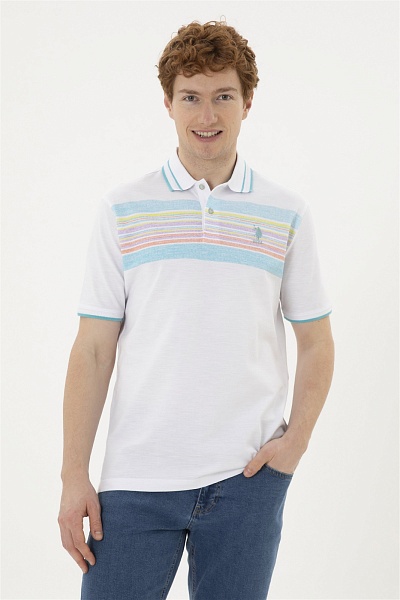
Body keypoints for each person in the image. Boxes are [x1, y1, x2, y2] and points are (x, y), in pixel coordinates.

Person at [58, 19, 334, 600]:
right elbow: (93, 350)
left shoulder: (287, 212)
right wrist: (73, 474)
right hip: (135, 482)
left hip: (247, 480)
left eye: (223, 96)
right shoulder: (122, 209)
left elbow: (316, 341)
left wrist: (294, 445)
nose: (206, 115)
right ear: (168, 103)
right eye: (190, 97)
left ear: (247, 103)